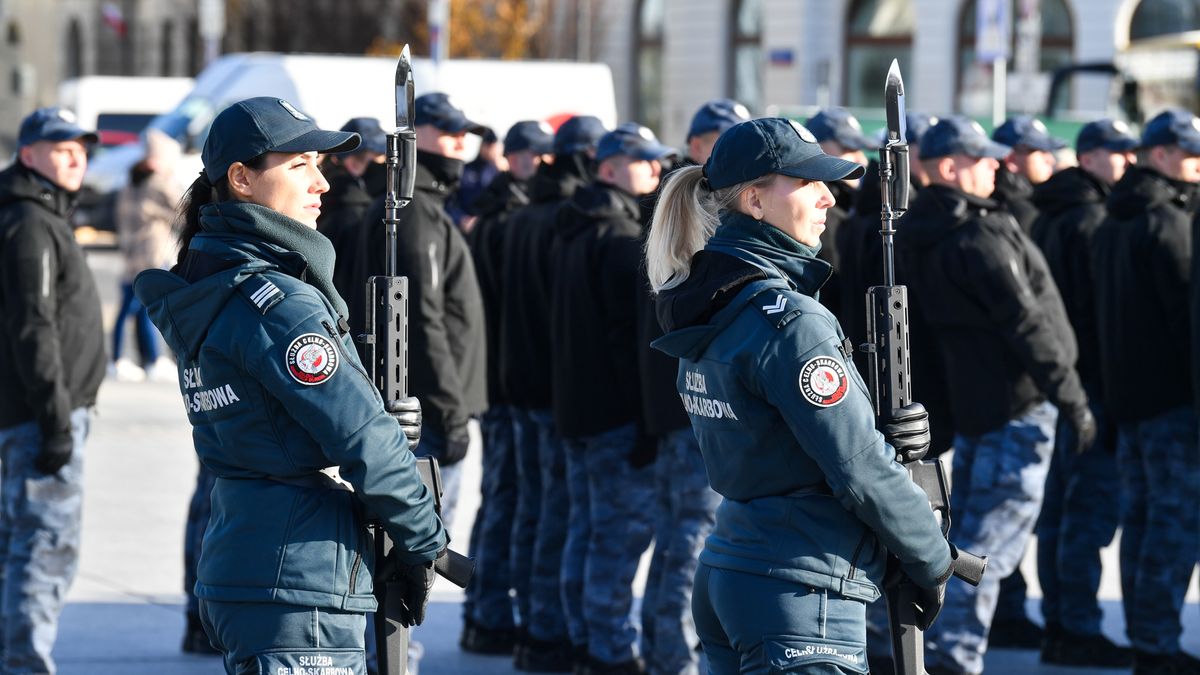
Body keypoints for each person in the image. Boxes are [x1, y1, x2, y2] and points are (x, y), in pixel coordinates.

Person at [132, 97, 447, 674]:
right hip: (299, 578)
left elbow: (277, 423)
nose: (321, 183)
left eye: (318, 165)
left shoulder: (218, 286)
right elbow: (364, 441)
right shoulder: (279, 305)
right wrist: (427, 542)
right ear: (241, 178)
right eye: (300, 165)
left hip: (251, 561)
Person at [645, 116, 951, 675]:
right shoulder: (790, 320)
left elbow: (777, 439)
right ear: (755, 201)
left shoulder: (714, 301)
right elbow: (860, 469)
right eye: (808, 183)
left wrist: (875, 423)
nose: (829, 198)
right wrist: (932, 557)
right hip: (799, 587)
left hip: (736, 565)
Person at [893, 116, 1094, 675]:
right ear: (949, 167)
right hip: (1017, 406)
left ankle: (946, 649)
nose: (995, 166)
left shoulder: (928, 231)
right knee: (990, 544)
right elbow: (1027, 323)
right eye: (981, 159)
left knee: (974, 534)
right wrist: (1072, 398)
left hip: (983, 406)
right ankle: (955, 657)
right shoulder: (976, 235)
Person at [550, 122, 675, 674]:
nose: (655, 169)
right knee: (616, 539)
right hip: (614, 416)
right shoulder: (621, 239)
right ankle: (609, 651)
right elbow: (629, 342)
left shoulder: (575, 227)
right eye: (642, 161)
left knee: (587, 529)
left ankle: (584, 640)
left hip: (579, 410)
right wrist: (646, 420)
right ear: (607, 169)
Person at [635, 98, 745, 675]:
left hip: (685, 405)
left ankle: (664, 649)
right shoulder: (691, 217)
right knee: (690, 541)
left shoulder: (691, 211)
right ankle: (673, 655)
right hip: (691, 410)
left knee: (680, 539)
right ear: (697, 145)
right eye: (721, 139)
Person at [351, 92, 489, 530]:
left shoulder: (420, 206)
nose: (460, 143)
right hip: (423, 412)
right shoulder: (412, 212)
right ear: (414, 136)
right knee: (425, 541)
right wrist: (450, 413)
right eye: (448, 131)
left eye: (464, 133)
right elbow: (419, 320)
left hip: (425, 408)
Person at [499, 115, 607, 672]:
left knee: (533, 508)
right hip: (550, 389)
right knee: (557, 514)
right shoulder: (562, 218)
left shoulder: (524, 215)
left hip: (523, 384)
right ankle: (547, 629)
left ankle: (530, 625)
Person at [1029, 118, 1138, 668]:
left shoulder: (1050, 210)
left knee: (1059, 511)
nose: (1128, 161)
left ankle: (1061, 623)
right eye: (1118, 152)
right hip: (1090, 384)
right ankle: (1076, 627)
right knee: (1086, 513)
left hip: (1061, 383)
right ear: (1090, 157)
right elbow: (1104, 316)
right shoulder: (1091, 218)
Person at [0, 106, 105, 675]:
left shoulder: (43, 213)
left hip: (43, 410)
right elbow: (33, 324)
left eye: (81, 149)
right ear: (28, 155)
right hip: (42, 415)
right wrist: (55, 418)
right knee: (45, 546)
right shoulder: (31, 223)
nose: (75, 158)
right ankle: (25, 663)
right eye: (61, 148)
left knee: (22, 542)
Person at [1095, 108, 1200, 675]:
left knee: (1140, 520)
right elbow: (1186, 320)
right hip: (1170, 403)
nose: (1198, 164)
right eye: (1191, 153)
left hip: (1129, 398)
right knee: (1173, 524)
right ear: (1161, 154)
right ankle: (1157, 644)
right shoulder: (1168, 222)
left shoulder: (1115, 218)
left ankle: (1146, 638)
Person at [460, 119, 555, 655]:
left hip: (503, 377)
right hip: (503, 381)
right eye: (529, 156)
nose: (537, 165)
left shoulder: (502, 212)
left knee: (506, 495)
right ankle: (489, 610)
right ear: (512, 158)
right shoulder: (501, 218)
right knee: (507, 496)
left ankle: (487, 609)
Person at [110, 128, 181, 383]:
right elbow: (184, 210)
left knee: (130, 309)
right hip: (152, 253)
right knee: (150, 308)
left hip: (131, 253)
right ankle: (151, 360)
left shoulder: (131, 183)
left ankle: (122, 359)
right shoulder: (158, 184)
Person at [804, 107, 869, 323]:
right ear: (818, 148)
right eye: (848, 148)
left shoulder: (856, 205)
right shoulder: (817, 212)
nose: (861, 158)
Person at [318, 116, 387, 309]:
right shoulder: (353, 213)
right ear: (352, 162)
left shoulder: (326, 196)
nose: (386, 166)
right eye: (379, 158)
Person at [990, 115, 1065, 236]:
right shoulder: (1017, 213)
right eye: (1041, 151)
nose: (1050, 160)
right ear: (1011, 159)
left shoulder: (1037, 200)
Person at [450, 126, 506, 230]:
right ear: (482, 145)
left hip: (490, 227)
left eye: (493, 146)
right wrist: (461, 219)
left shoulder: (501, 172)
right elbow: (451, 200)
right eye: (488, 145)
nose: (491, 149)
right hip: (465, 226)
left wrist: (505, 172)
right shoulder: (465, 170)